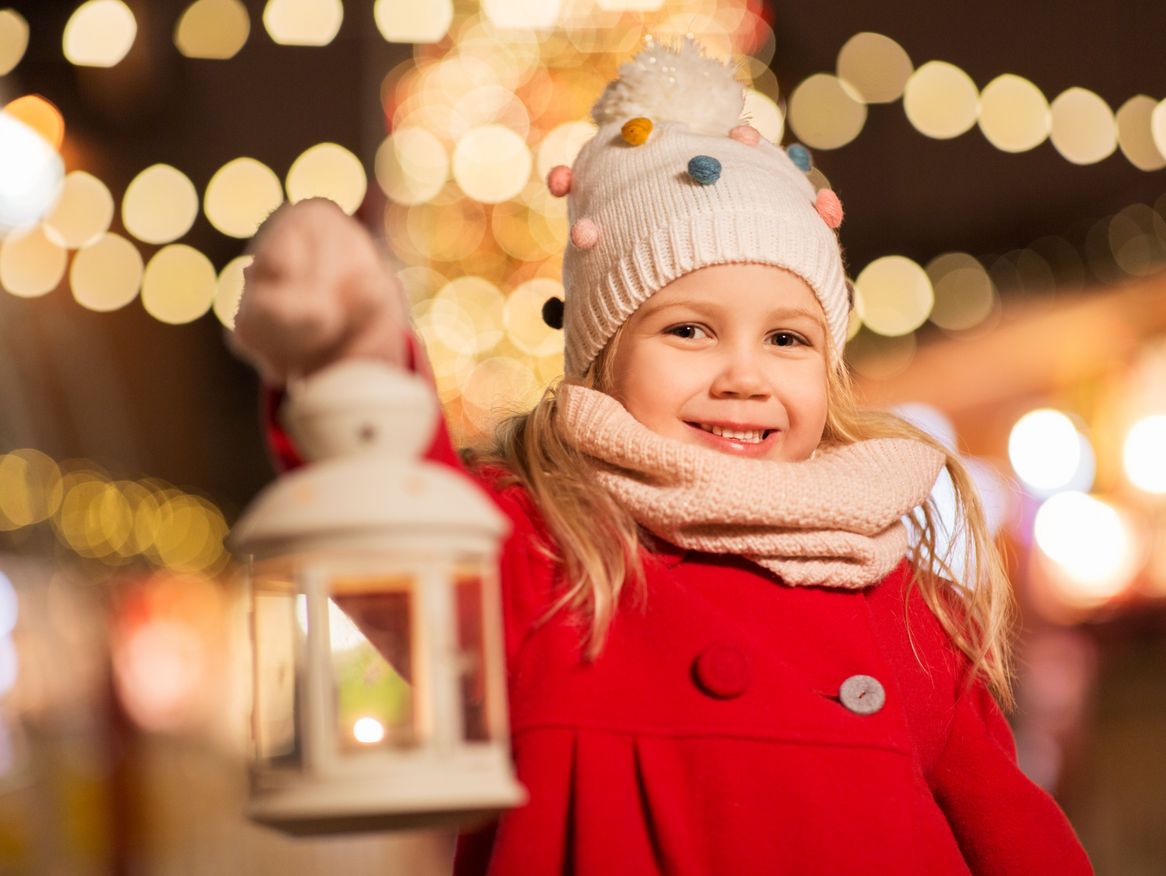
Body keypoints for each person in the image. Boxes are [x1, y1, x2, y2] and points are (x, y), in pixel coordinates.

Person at [231, 38, 1093, 876]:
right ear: (604, 357)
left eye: (787, 339)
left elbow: (1015, 836)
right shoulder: (545, 555)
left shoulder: (901, 601)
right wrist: (352, 354)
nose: (745, 376)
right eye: (689, 330)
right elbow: (392, 510)